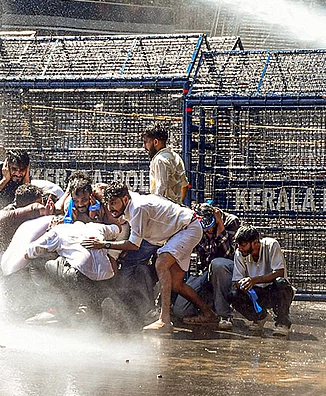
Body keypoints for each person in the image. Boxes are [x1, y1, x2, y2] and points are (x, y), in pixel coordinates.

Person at [92, 181, 217, 332]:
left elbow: (134, 245)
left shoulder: (138, 208)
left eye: (113, 203)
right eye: (107, 203)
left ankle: (164, 321)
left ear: (124, 199)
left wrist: (104, 244)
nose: (110, 208)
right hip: (179, 232)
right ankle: (209, 314)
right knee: (176, 284)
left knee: (161, 263)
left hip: (187, 228)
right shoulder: (129, 200)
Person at [173, 202, 240, 330]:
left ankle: (224, 315)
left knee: (218, 264)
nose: (208, 231)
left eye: (211, 227)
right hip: (205, 271)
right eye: (205, 229)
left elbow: (228, 254)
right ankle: (209, 311)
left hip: (228, 272)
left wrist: (220, 226)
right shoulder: (195, 224)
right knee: (180, 310)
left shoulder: (231, 221)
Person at [228, 225, 295, 337]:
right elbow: (237, 280)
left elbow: (279, 272)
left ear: (255, 242)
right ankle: (260, 317)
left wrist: (254, 280)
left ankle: (282, 322)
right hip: (255, 293)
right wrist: (242, 285)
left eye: (243, 245)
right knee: (233, 295)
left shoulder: (271, 245)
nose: (240, 248)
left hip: (274, 290)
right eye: (238, 245)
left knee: (281, 282)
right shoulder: (239, 253)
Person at [0, 183, 55, 254]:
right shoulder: (12, 216)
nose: (42, 205)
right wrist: (46, 212)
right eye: (39, 203)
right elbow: (34, 208)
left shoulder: (16, 210)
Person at [142, 122, 189, 205]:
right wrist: (178, 204)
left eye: (146, 142)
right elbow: (184, 185)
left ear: (155, 142)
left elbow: (161, 192)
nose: (144, 146)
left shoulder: (160, 160)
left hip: (164, 210)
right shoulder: (176, 157)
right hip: (175, 209)